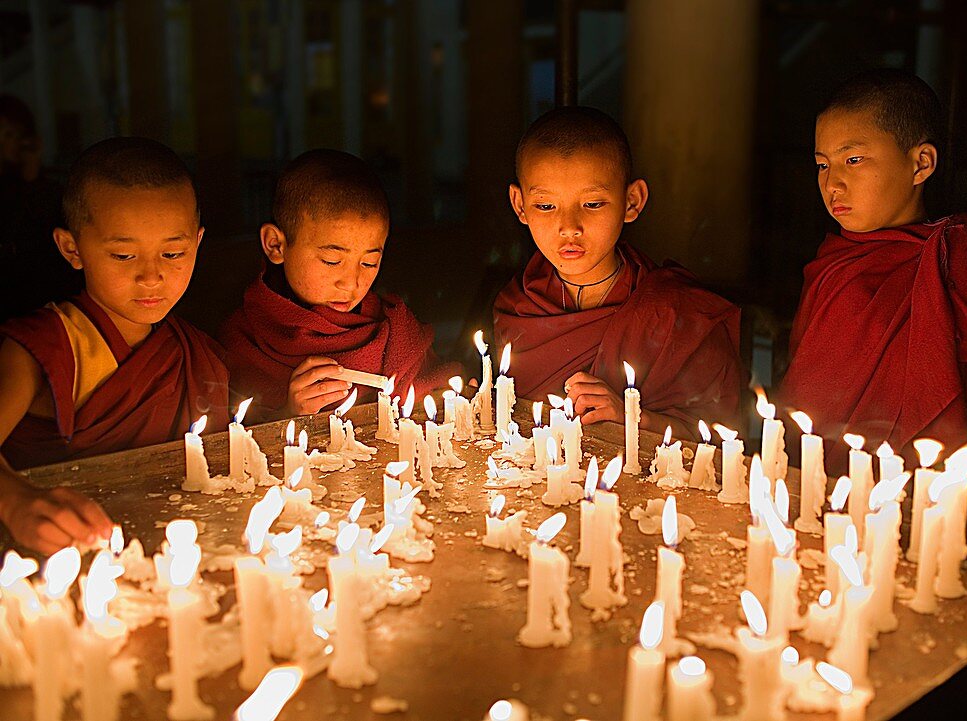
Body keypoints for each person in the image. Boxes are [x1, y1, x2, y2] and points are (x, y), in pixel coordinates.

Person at [779, 69, 967, 522]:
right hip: (820, 496)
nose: (833, 184)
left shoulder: (964, 262)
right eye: (823, 164)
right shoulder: (832, 265)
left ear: (921, 164)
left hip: (925, 503)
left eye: (855, 160)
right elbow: (807, 392)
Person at [0, 137, 230, 553]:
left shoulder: (194, 351)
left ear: (197, 243)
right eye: (124, 256)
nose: (151, 277)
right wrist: (15, 502)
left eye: (174, 253)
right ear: (72, 249)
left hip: (172, 553)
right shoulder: (45, 347)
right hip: (59, 555)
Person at [493, 107, 744, 438]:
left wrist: (635, 419)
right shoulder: (517, 308)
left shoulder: (677, 316)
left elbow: (718, 441)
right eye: (545, 206)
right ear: (520, 205)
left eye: (593, 204)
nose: (569, 227)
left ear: (632, 201)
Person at [220, 149, 460, 420]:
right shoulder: (246, 341)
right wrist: (289, 413)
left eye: (369, 263)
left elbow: (437, 392)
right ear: (275, 244)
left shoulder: (393, 329)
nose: (352, 283)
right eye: (332, 260)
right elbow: (232, 440)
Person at [0, 93, 82, 321]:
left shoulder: (44, 187)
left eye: (18, 134)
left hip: (41, 301)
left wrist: (32, 176)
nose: (15, 143)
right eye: (7, 134)